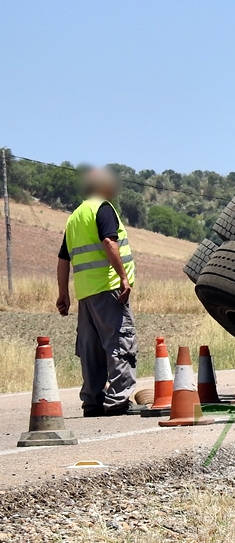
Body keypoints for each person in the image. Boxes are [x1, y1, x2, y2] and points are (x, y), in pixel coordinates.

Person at [56, 167, 139, 417]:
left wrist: (64, 294)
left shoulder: (75, 216)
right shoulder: (102, 208)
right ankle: (117, 401)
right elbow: (109, 241)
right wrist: (123, 277)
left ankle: (92, 402)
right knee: (119, 343)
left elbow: (63, 258)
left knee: (91, 350)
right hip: (109, 288)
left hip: (86, 294)